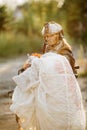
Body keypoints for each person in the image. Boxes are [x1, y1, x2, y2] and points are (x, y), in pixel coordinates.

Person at [10, 22, 86, 130]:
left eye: (50, 36)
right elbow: (46, 62)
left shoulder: (65, 51)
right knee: (29, 88)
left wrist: (41, 62)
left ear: (58, 35)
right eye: (46, 36)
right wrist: (35, 61)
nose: (47, 39)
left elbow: (59, 68)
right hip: (49, 83)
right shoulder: (48, 48)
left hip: (61, 88)